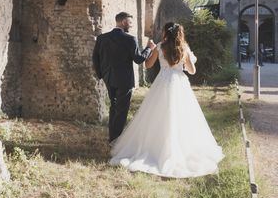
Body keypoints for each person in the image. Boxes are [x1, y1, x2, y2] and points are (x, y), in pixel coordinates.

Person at [109, 22, 224, 178]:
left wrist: (152, 54)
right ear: (179, 34)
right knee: (183, 116)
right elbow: (192, 71)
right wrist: (186, 61)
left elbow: (148, 65)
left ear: (165, 33)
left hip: (162, 81)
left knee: (155, 115)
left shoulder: (160, 46)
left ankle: (152, 148)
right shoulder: (184, 48)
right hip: (180, 83)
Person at [93, 12, 155, 143]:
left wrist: (101, 75)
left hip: (108, 78)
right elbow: (139, 59)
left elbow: (95, 58)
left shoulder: (102, 38)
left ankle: (112, 138)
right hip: (124, 81)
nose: (131, 26)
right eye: (130, 22)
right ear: (123, 22)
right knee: (121, 110)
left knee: (113, 107)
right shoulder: (130, 39)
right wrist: (149, 48)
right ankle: (117, 140)